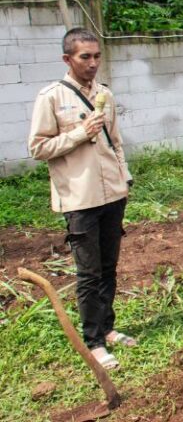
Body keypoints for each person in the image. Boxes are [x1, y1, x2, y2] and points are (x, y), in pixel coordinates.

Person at [28, 28, 135, 370]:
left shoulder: (105, 94)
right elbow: (38, 148)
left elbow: (115, 142)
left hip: (112, 194)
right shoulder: (51, 97)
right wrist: (79, 133)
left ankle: (108, 327)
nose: (92, 63)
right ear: (67, 59)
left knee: (108, 267)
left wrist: (125, 176)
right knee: (88, 272)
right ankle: (94, 341)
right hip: (79, 198)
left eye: (96, 56)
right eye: (84, 57)